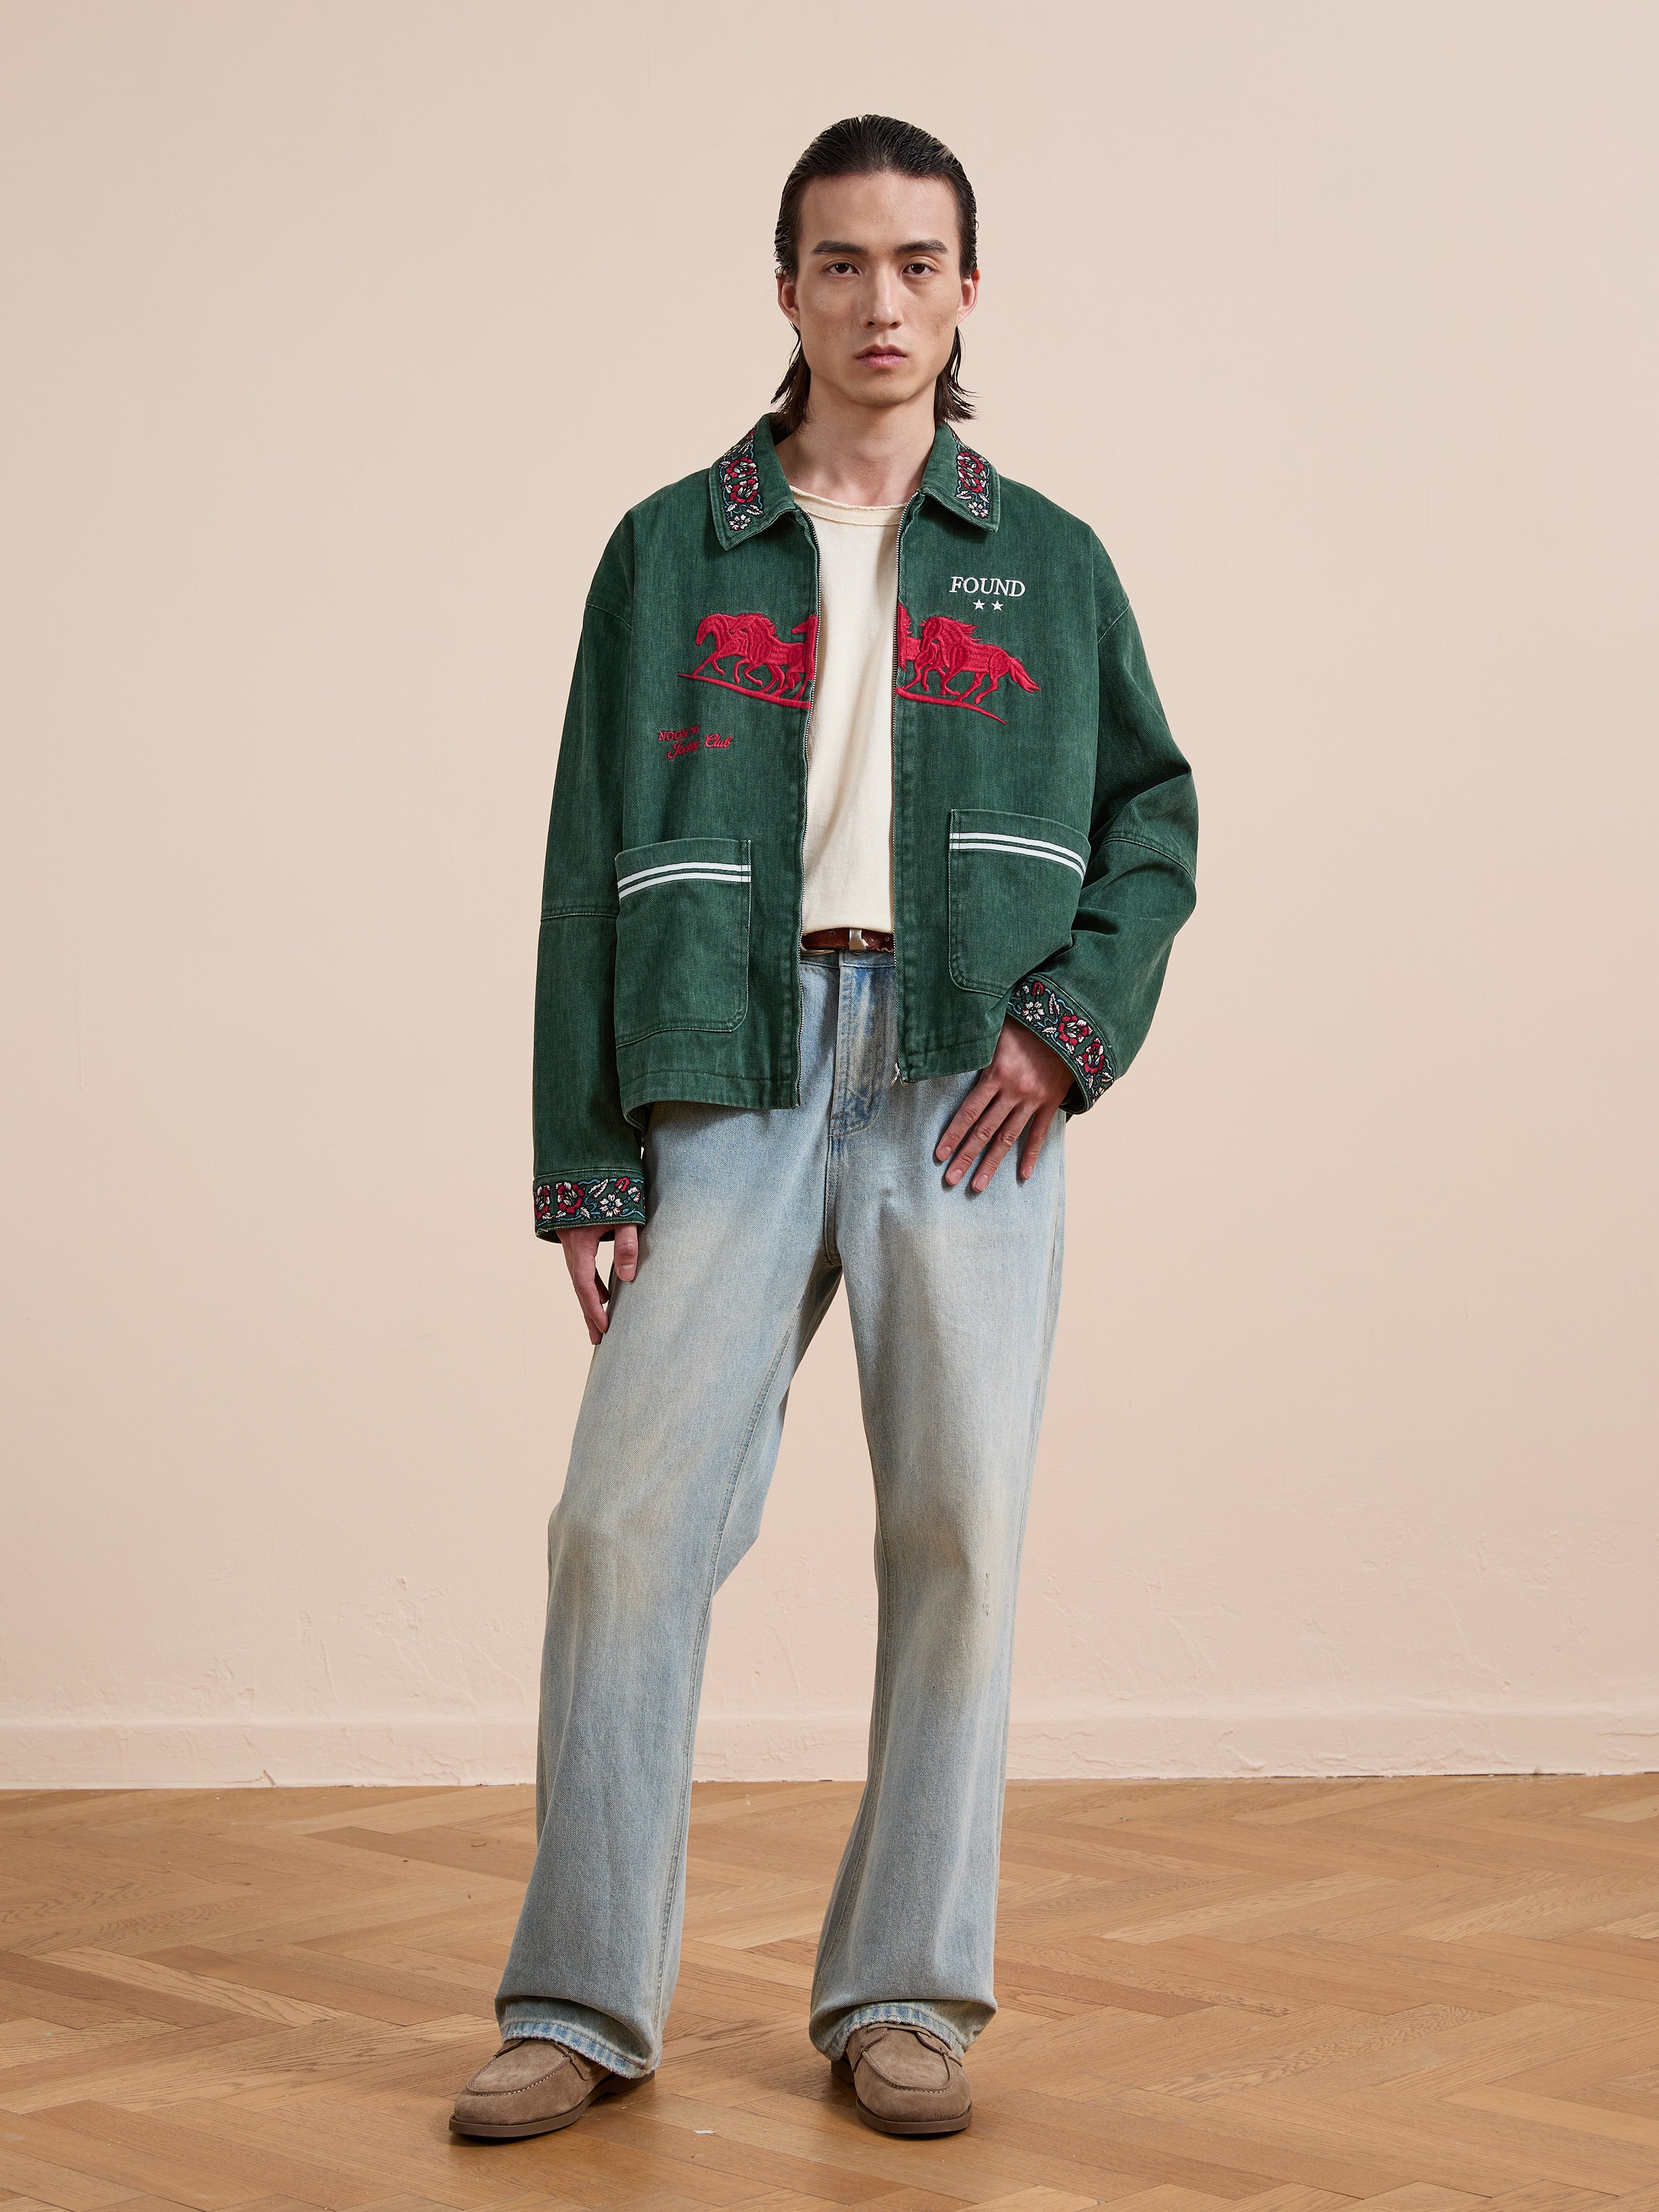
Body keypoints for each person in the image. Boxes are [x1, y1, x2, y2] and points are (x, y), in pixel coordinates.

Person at [450, 113, 1198, 2145]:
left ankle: (904, 1997)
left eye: (922, 263)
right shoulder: (669, 548)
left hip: (966, 1078)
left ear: (971, 292)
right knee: (620, 1533)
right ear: (783, 283)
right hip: (728, 1054)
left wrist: (1066, 1032)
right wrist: (585, 1155)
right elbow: (583, 849)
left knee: (957, 1534)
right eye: (843, 262)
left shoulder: (1047, 558)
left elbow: (1156, 818)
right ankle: (582, 2003)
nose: (884, 302)